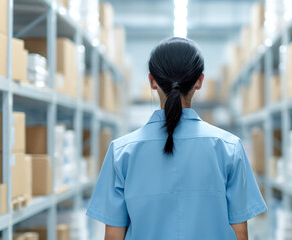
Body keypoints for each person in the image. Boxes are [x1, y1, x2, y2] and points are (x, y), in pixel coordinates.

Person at [86, 37, 266, 240]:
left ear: (152, 81)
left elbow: (113, 236)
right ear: (199, 81)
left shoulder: (121, 152)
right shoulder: (229, 148)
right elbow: (240, 233)